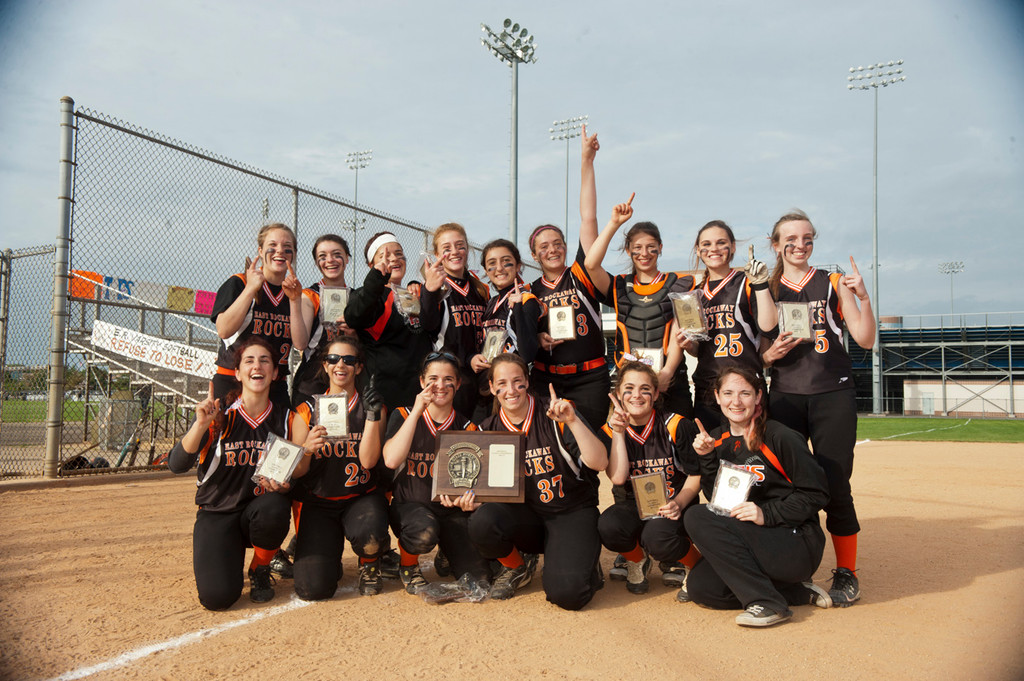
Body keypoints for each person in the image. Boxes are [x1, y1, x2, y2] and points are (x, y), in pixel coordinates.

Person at [760, 210, 874, 607]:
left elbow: (864, 337)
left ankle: (847, 572)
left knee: (836, 483)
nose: (800, 244)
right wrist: (768, 357)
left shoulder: (833, 281)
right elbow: (761, 342)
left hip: (832, 393)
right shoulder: (767, 286)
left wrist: (863, 296)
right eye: (790, 239)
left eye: (807, 237)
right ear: (776, 245)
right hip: (786, 396)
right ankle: (792, 567)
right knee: (786, 486)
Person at [683, 365, 833, 627]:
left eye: (745, 393)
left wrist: (768, 513)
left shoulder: (780, 437)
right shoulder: (716, 439)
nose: (736, 402)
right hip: (753, 539)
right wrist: (707, 458)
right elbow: (718, 501)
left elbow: (817, 494)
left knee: (696, 515)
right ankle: (792, 592)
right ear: (717, 397)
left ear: (758, 397)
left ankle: (768, 603)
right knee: (701, 588)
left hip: (794, 542)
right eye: (728, 393)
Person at [168, 337, 310, 610]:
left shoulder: (287, 419)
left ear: (275, 372)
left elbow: (300, 471)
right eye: (249, 360)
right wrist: (200, 426)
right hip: (218, 513)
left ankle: (260, 566)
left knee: (275, 505)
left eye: (265, 360)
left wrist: (286, 481)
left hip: (258, 513)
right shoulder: (219, 415)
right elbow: (177, 464)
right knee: (218, 598)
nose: (257, 366)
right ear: (237, 373)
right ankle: (229, 559)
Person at [467, 354, 608, 610]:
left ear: (527, 382)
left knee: (568, 595)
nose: (511, 390)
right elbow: (487, 491)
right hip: (527, 516)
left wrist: (573, 421)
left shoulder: (557, 412)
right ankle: (518, 566)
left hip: (570, 511)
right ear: (491, 387)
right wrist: (471, 501)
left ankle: (583, 559)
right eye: (502, 383)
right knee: (481, 521)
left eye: (517, 381)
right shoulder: (487, 430)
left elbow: (599, 462)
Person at [289, 337, 391, 598]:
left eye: (349, 360)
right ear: (325, 365)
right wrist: (307, 449)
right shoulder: (305, 410)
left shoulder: (374, 406)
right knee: (313, 589)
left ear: (359, 367)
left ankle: (370, 563)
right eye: (333, 359)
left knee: (369, 534)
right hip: (319, 501)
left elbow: (368, 462)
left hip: (361, 497)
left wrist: (371, 417)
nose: (340, 365)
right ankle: (327, 558)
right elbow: (297, 471)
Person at [382, 351, 491, 593]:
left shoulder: (467, 426)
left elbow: (477, 483)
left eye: (448, 379)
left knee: (481, 578)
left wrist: (470, 502)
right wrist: (417, 412)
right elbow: (391, 460)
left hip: (450, 511)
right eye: (432, 379)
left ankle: (447, 552)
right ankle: (408, 566)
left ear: (458, 384)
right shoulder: (402, 414)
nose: (440, 385)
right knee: (423, 531)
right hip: (411, 506)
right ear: (421, 382)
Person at [583, 195, 697, 418]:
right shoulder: (619, 286)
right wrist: (614, 223)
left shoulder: (681, 283)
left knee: (679, 440)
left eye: (651, 247)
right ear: (628, 250)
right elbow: (590, 264)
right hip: (632, 383)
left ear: (660, 247)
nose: (644, 254)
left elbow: (679, 330)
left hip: (671, 379)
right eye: (637, 248)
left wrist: (667, 372)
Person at [527, 125, 609, 431]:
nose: (553, 250)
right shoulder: (529, 290)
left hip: (589, 377)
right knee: (551, 446)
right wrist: (537, 339)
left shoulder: (581, 273)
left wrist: (587, 162)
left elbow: (588, 218)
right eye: (544, 246)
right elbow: (521, 337)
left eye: (558, 243)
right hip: (547, 377)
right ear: (534, 255)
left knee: (589, 450)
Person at [597, 361, 702, 599]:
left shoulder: (676, 424)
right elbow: (618, 477)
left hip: (672, 506)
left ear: (656, 393)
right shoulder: (609, 430)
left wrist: (680, 503)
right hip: (633, 506)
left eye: (645, 389)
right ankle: (637, 559)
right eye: (629, 388)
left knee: (657, 537)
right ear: (618, 394)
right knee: (608, 526)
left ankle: (696, 564)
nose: (636, 395)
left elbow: (696, 474)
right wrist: (619, 433)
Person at [686, 222, 777, 426]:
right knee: (711, 453)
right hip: (708, 387)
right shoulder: (694, 292)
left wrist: (764, 357)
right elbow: (699, 349)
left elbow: (768, 328)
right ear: (698, 250)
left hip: (745, 387)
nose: (714, 249)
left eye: (721, 243)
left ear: (733, 246)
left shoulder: (747, 281)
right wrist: (688, 345)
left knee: (752, 455)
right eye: (706, 244)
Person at [344, 231, 445, 411]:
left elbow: (432, 326)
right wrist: (376, 279)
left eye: (399, 254)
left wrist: (428, 291)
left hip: (419, 392)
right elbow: (354, 316)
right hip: (385, 396)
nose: (394, 259)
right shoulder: (370, 295)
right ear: (371, 265)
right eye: (384, 255)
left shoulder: (413, 293)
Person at [210, 223, 305, 406]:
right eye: (273, 246)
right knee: (215, 434)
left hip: (274, 386)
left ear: (293, 254)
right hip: (234, 382)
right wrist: (251, 289)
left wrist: (295, 300)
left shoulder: (293, 292)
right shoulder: (239, 283)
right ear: (260, 251)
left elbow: (300, 343)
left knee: (280, 435)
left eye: (287, 248)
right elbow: (223, 329)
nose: (280, 251)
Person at [418, 223, 491, 417]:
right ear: (436, 254)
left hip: (482, 374)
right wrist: (429, 291)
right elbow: (428, 325)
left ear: (468, 249)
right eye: (447, 248)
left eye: (460, 246)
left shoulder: (481, 288)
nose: (454, 252)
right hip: (453, 377)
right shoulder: (437, 288)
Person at [469, 240, 543, 417]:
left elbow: (528, 354)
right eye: (492, 264)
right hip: (489, 385)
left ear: (518, 265)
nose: (500, 268)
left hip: (512, 390)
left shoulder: (526, 299)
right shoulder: (492, 302)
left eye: (506, 261)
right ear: (486, 271)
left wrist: (518, 309)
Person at [290, 234, 354, 408]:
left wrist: (354, 333)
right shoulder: (309, 295)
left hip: (348, 375)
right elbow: (300, 343)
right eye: (322, 257)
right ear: (317, 262)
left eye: (336, 254)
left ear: (347, 258)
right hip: (314, 377)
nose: (330, 260)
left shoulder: (356, 297)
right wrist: (295, 301)